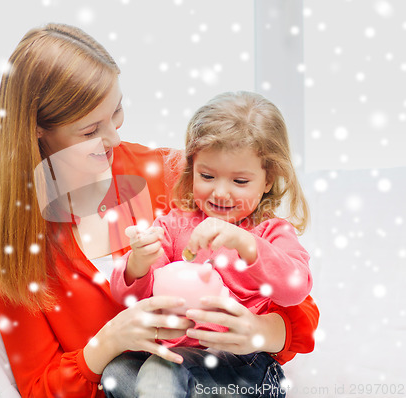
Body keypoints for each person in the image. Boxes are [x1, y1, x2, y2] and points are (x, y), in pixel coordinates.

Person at [0, 23, 319, 398]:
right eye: (90, 130)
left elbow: (297, 304)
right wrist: (107, 342)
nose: (114, 138)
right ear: (38, 129)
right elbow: (41, 387)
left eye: (117, 112)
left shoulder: (170, 174)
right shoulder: (6, 234)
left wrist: (260, 330)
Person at [109, 91, 313, 397]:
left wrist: (248, 245)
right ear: (193, 169)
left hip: (246, 368)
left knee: (160, 372)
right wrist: (138, 263)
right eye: (207, 175)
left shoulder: (270, 232)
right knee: (117, 371)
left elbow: (296, 288)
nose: (220, 192)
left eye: (239, 181)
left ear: (267, 180)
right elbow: (130, 294)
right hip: (179, 363)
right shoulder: (173, 224)